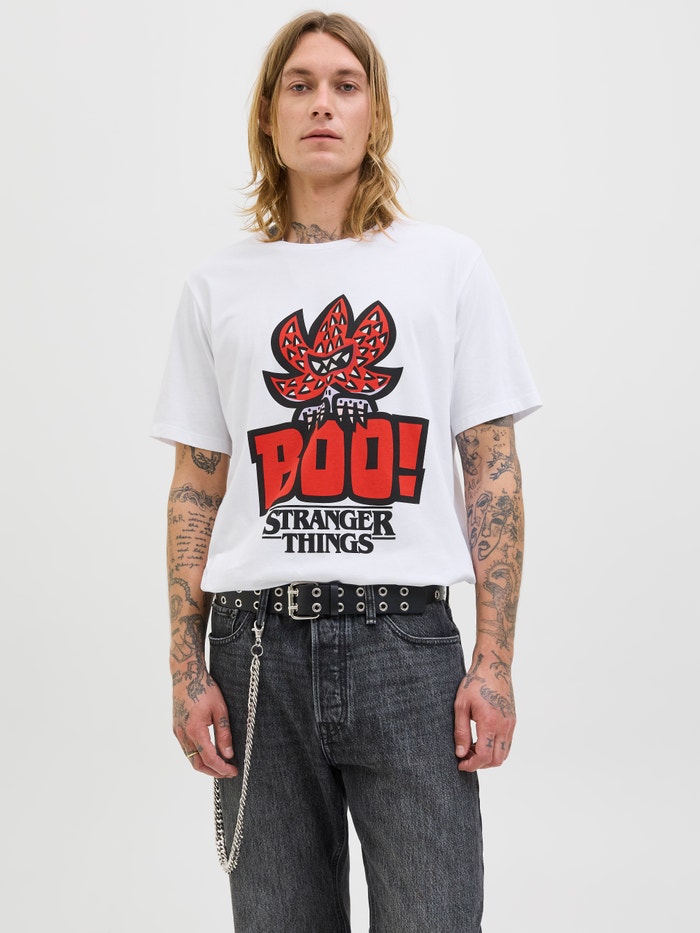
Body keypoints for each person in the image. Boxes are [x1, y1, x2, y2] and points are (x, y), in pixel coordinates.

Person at [151, 10, 541, 932]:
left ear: (375, 114)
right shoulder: (216, 288)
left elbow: (491, 470)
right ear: (270, 115)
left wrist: (493, 660)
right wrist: (184, 665)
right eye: (300, 85)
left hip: (406, 648)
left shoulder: (448, 268)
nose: (322, 104)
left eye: (345, 85)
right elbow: (197, 485)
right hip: (255, 651)